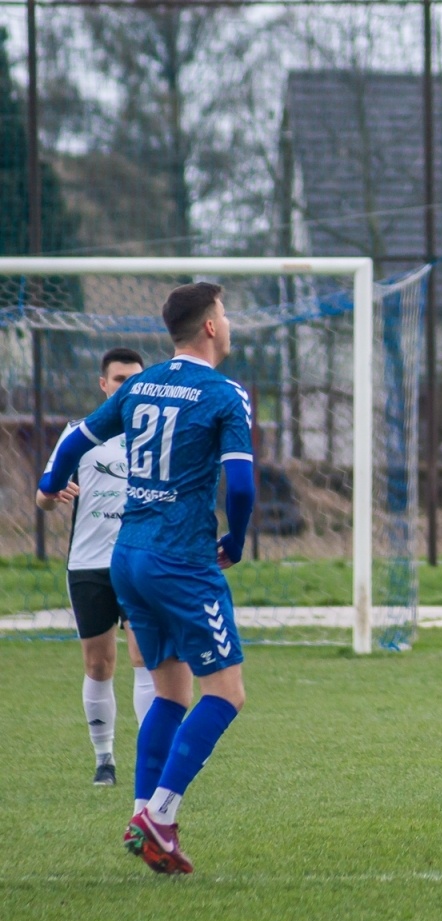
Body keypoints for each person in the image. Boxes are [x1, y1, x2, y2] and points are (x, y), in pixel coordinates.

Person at [39, 282, 255, 875]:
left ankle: (142, 815)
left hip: (126, 556)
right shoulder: (224, 393)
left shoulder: (140, 385)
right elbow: (240, 485)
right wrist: (232, 543)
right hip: (182, 561)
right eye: (225, 313)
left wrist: (52, 478)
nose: (229, 322)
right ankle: (158, 815)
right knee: (226, 694)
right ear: (210, 326)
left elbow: (80, 436)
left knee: (169, 692)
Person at [36, 349, 155, 786]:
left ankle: (151, 760)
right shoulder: (78, 436)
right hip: (89, 566)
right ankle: (104, 760)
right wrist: (53, 494)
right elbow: (43, 498)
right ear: (103, 385)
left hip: (141, 561)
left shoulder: (155, 437)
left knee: (145, 658)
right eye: (119, 379)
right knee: (99, 664)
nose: (127, 386)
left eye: (135, 379)